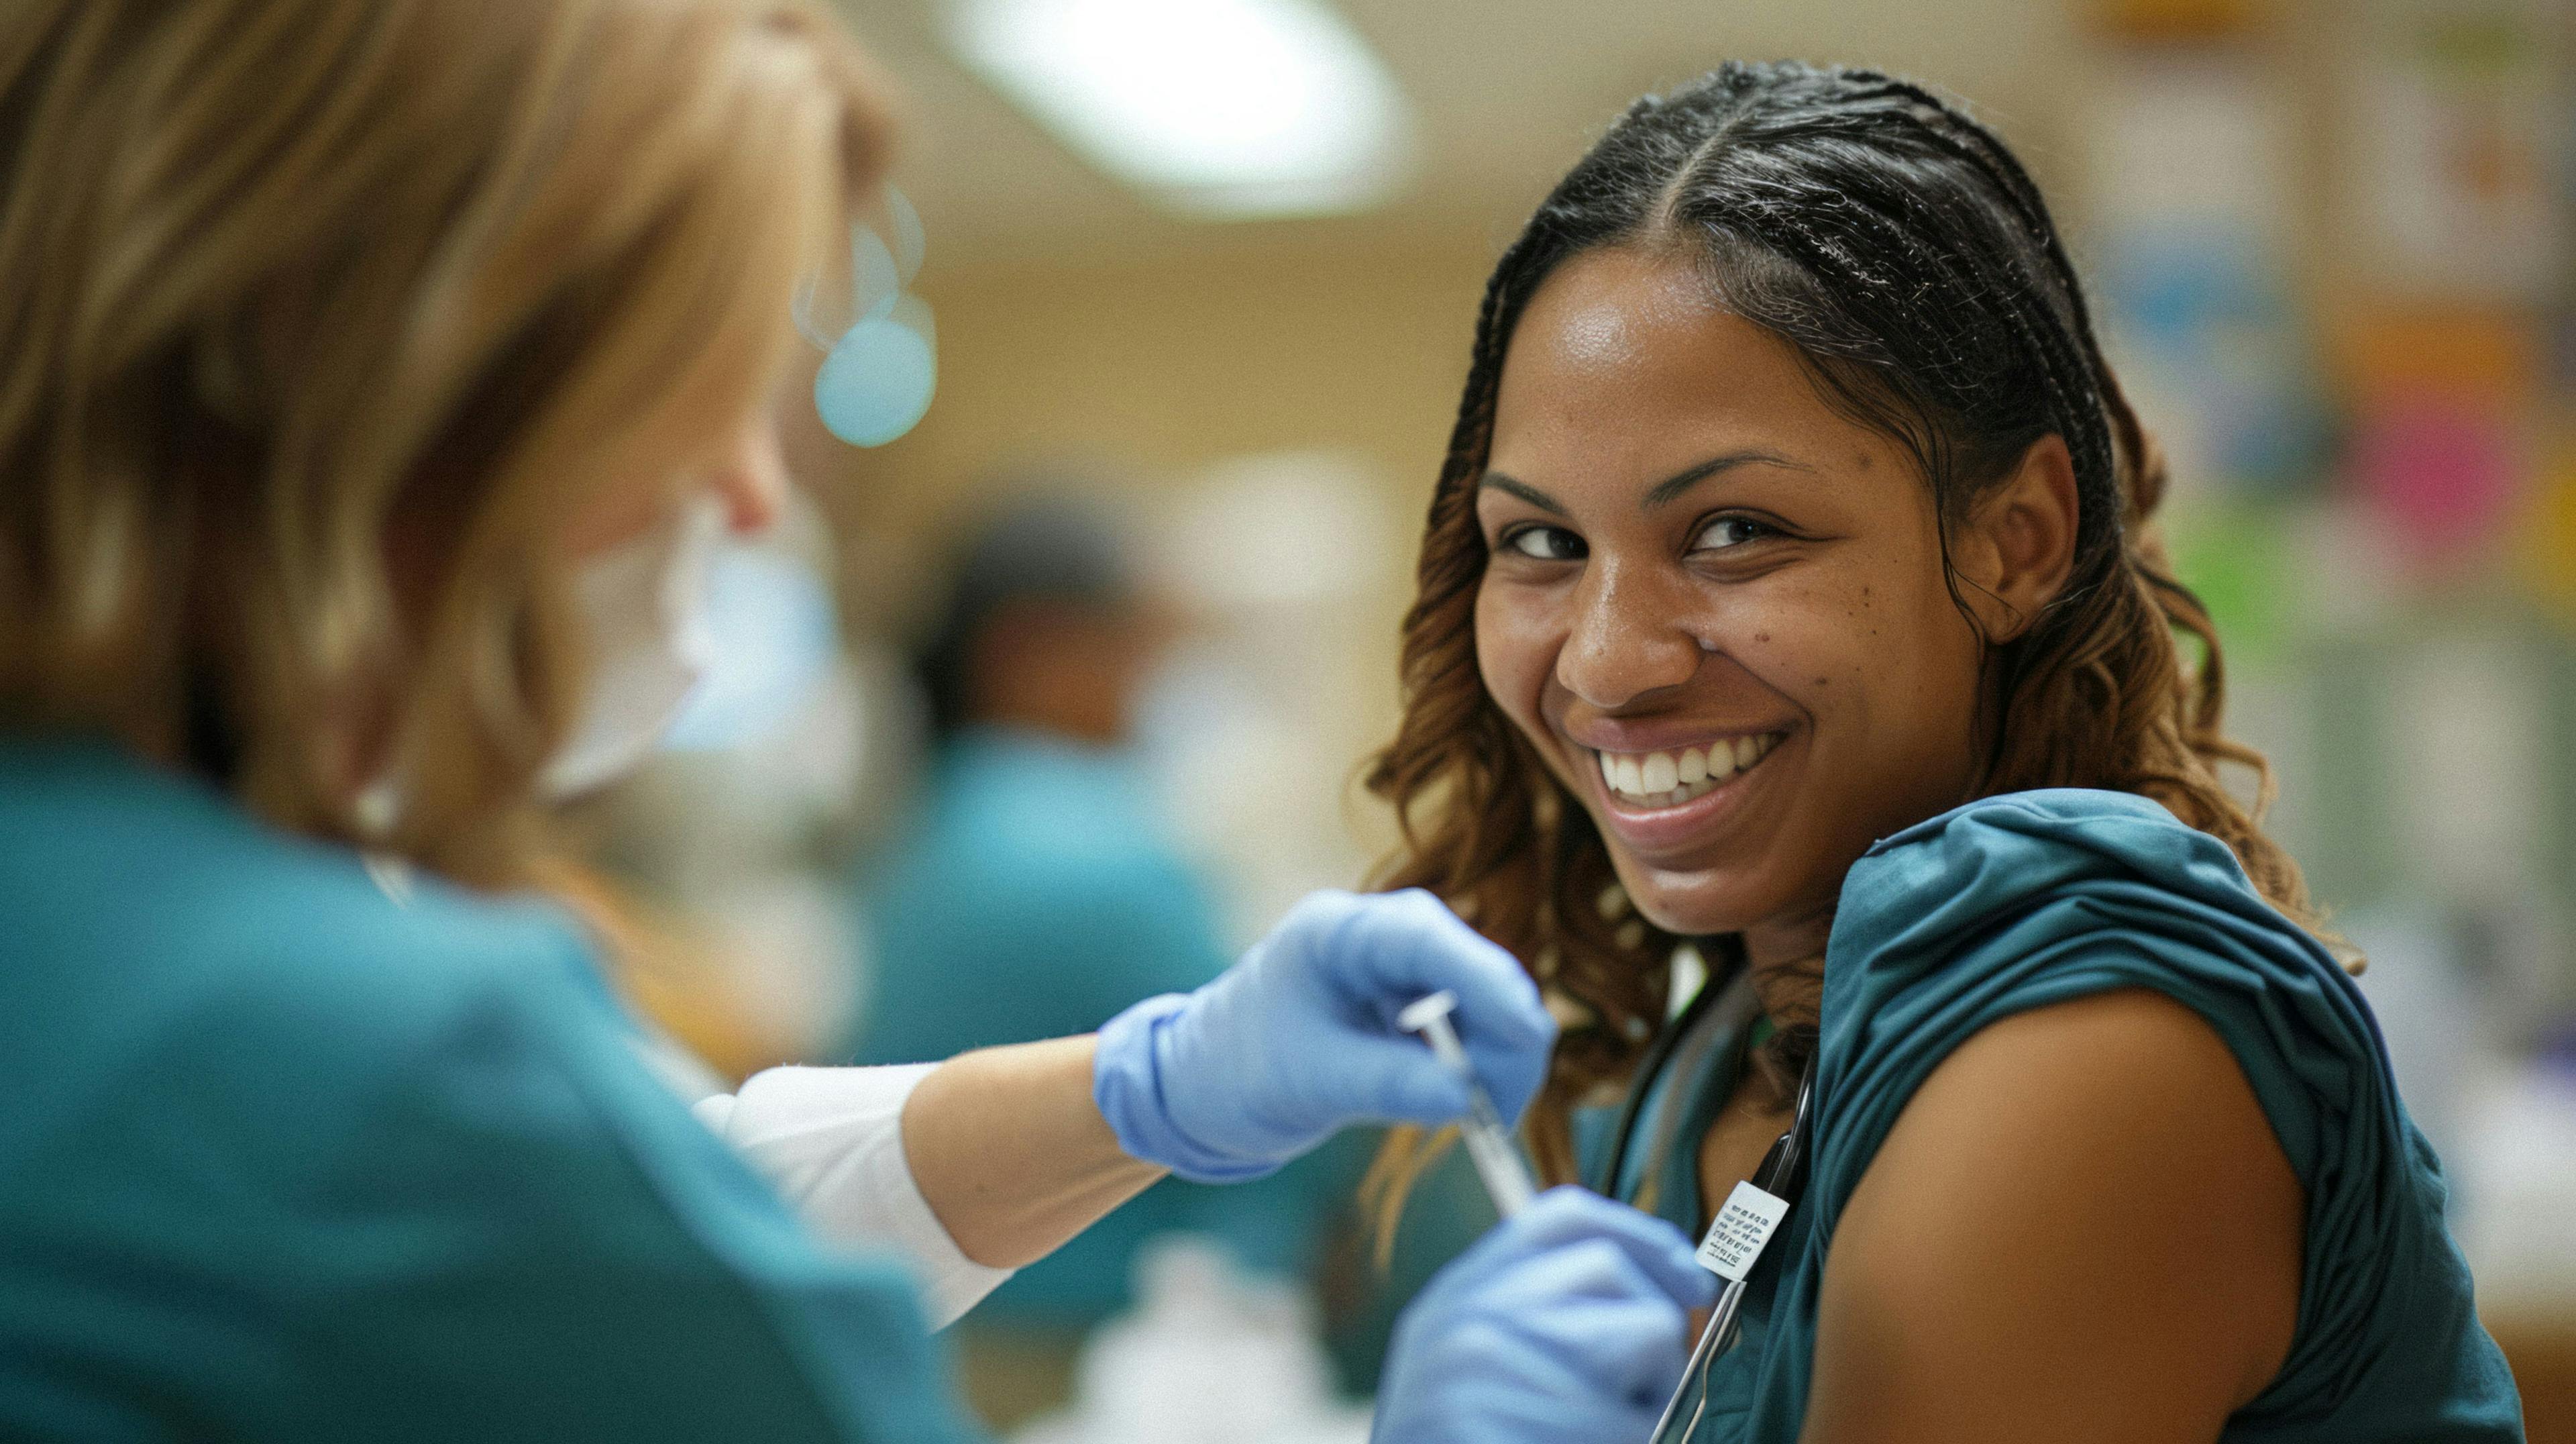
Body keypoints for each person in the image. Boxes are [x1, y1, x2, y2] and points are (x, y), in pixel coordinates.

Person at [0, 3, 1709, 1441]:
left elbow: (656, 1231)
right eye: (704, 386)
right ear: (396, 372)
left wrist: (1143, 1091)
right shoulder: (390, 1050)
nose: (755, 502)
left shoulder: (116, 917)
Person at [1361, 62, 2527, 1443]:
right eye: (1543, 543)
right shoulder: (1741, 1035)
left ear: (2015, 539)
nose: (1609, 659)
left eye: (1735, 530)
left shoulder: (2084, 1055)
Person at [857, 496, 1340, 1341]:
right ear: (1031, 648)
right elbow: (1282, 1114)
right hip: (1079, 1348)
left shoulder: (941, 818)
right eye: (1137, 647)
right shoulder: (1096, 849)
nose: (1160, 683)